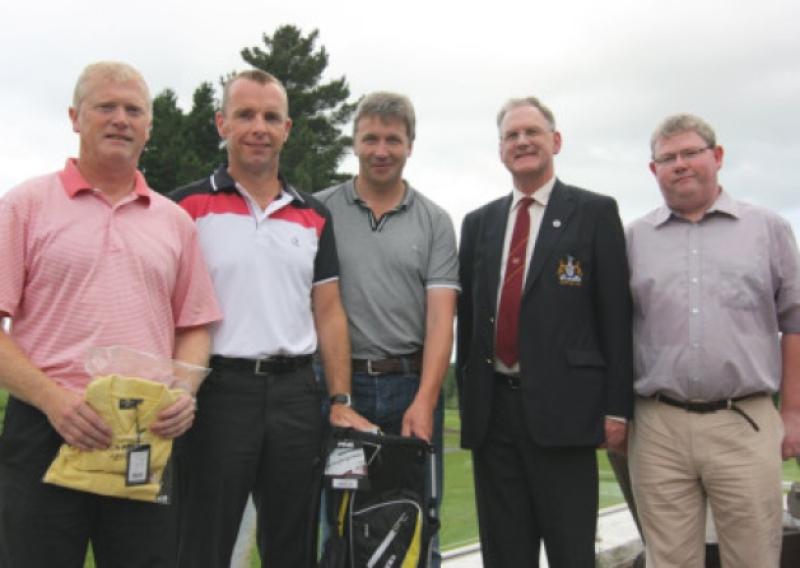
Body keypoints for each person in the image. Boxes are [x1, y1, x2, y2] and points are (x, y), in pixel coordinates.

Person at [0, 61, 221, 568]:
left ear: (149, 127)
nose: (121, 119)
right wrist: (53, 400)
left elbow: (194, 325)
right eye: (106, 107)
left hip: (145, 434)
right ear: (75, 117)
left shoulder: (174, 222)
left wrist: (184, 390)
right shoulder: (24, 206)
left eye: (133, 110)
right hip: (48, 426)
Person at [170, 69, 373, 568]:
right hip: (216, 393)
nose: (258, 127)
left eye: (270, 117)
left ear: (287, 128)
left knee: (292, 548)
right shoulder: (184, 207)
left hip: (295, 396)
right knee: (202, 545)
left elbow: (328, 312)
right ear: (222, 123)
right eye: (245, 115)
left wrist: (340, 399)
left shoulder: (314, 215)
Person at [456, 96, 633, 567]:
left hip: (567, 414)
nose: (522, 141)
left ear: (555, 141)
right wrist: (470, 398)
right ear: (501, 150)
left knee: (571, 553)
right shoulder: (479, 223)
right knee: (504, 554)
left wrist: (617, 408)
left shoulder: (594, 212)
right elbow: (468, 321)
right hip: (494, 417)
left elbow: (616, 318)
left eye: (532, 132)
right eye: (511, 135)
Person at [627, 113, 800, 567]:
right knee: (668, 560)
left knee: (753, 557)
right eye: (668, 158)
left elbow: (795, 323)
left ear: (717, 156)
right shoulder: (634, 238)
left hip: (743, 421)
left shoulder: (767, 229)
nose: (680, 164)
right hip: (658, 426)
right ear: (653, 169)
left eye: (691, 153)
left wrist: (793, 412)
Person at [317, 92, 459, 566]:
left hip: (409, 389)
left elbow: (441, 319)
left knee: (417, 523)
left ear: (410, 145)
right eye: (371, 139)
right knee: (340, 527)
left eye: (393, 140)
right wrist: (337, 396)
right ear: (354, 142)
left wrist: (425, 399)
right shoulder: (320, 211)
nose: (381, 150)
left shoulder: (435, 221)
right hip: (340, 390)